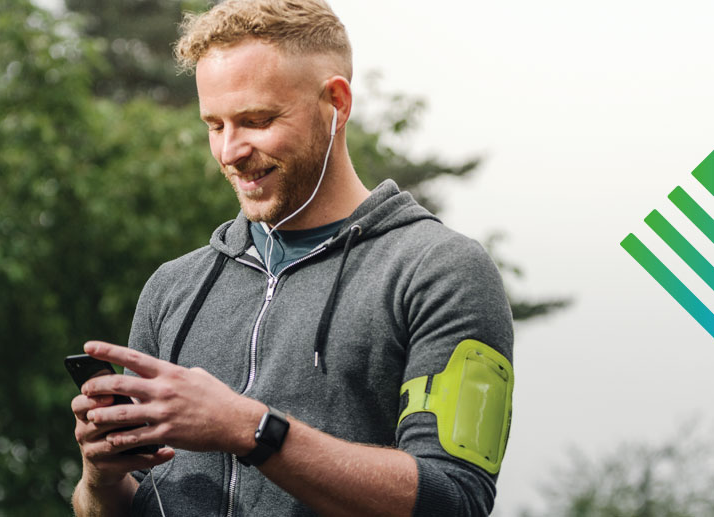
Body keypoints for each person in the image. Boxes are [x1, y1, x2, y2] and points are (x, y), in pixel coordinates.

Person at [70, 1, 514, 515]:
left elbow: (456, 499)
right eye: (215, 125)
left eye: (256, 120)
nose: (230, 151)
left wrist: (248, 428)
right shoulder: (174, 288)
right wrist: (100, 480)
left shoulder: (442, 272)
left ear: (337, 103)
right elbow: (121, 504)